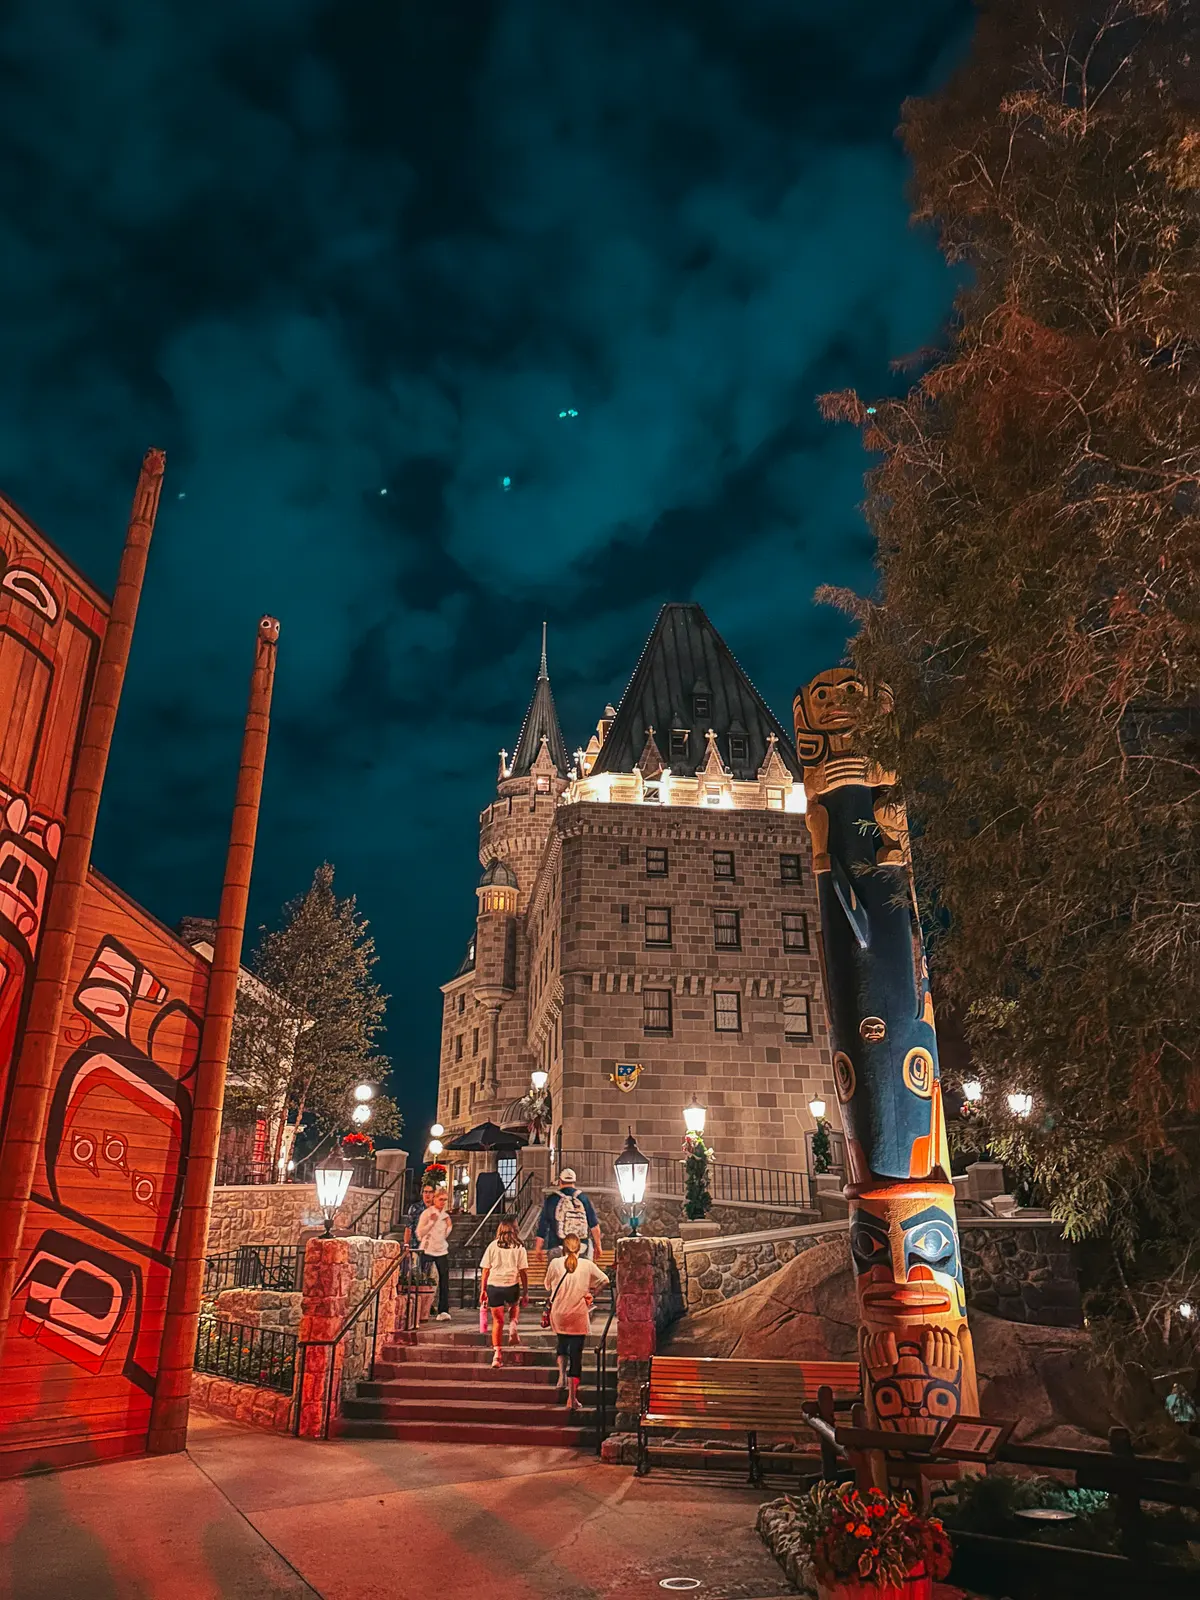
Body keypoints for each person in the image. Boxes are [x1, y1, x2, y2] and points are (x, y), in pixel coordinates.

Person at [545, 1233, 609, 1412]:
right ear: (580, 1248)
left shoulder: (555, 1263)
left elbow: (548, 1286)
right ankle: (572, 1399)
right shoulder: (587, 1265)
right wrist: (593, 1294)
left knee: (562, 1343)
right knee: (576, 1355)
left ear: (563, 1247)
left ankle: (561, 1377)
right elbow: (605, 1280)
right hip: (578, 1314)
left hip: (559, 1313)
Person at [478, 1219, 529, 1367]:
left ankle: (497, 1355)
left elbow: (485, 1270)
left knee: (497, 1321)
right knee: (514, 1307)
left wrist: (483, 1290)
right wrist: (525, 1291)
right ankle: (513, 1323)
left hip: (494, 1286)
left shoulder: (492, 1246)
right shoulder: (519, 1247)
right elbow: (523, 1271)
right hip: (511, 1285)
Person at [534, 1168, 601, 1261]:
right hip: (581, 1248)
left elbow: (542, 1226)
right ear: (574, 1181)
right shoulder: (583, 1198)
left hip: (557, 1247)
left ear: (560, 1181)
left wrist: (538, 1247)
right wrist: (598, 1245)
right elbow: (594, 1226)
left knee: (558, 1274)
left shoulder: (552, 1199)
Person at [416, 1186, 453, 1320]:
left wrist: (449, 1226)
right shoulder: (427, 1213)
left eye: (445, 1200)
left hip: (441, 1250)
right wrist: (431, 1222)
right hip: (427, 1249)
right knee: (422, 1278)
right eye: (440, 1199)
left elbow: (445, 1234)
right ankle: (420, 1308)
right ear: (435, 1199)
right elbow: (420, 1233)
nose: (442, 1202)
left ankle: (443, 1310)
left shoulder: (446, 1216)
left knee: (444, 1281)